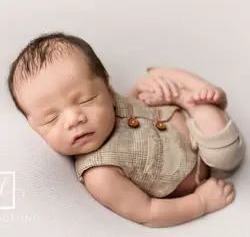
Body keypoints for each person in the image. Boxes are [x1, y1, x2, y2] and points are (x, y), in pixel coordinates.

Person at [7, 33, 245, 228]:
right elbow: (149, 212)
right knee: (224, 154)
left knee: (154, 78)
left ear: (107, 88)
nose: (73, 119)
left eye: (85, 100)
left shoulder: (114, 101)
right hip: (202, 167)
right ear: (33, 125)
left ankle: (204, 91)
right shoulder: (101, 174)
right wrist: (201, 202)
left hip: (177, 118)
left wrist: (148, 91)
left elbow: (132, 109)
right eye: (51, 118)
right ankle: (198, 103)